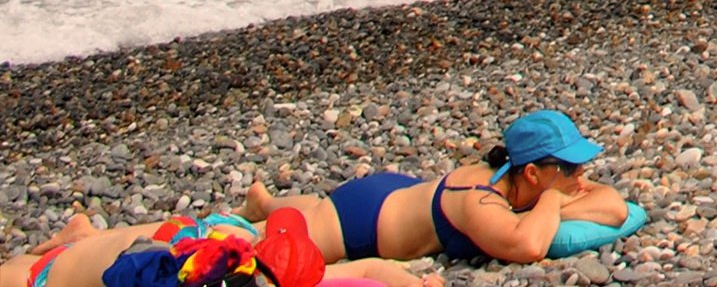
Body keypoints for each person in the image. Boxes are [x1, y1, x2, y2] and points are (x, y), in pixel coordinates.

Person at [242, 110, 630, 266]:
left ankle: (267, 200)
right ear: (532, 174)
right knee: (265, 249)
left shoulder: (545, 180)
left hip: (406, 195)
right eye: (572, 169)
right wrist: (550, 202)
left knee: (315, 206)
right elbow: (527, 246)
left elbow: (615, 207)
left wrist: (551, 204)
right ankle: (255, 215)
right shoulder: (478, 198)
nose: (582, 178)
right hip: (363, 221)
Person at [14, 207, 428, 287]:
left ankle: (84, 235)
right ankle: (82, 238)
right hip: (47, 275)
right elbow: (370, 269)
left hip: (208, 231)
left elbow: (371, 268)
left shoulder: (251, 261)